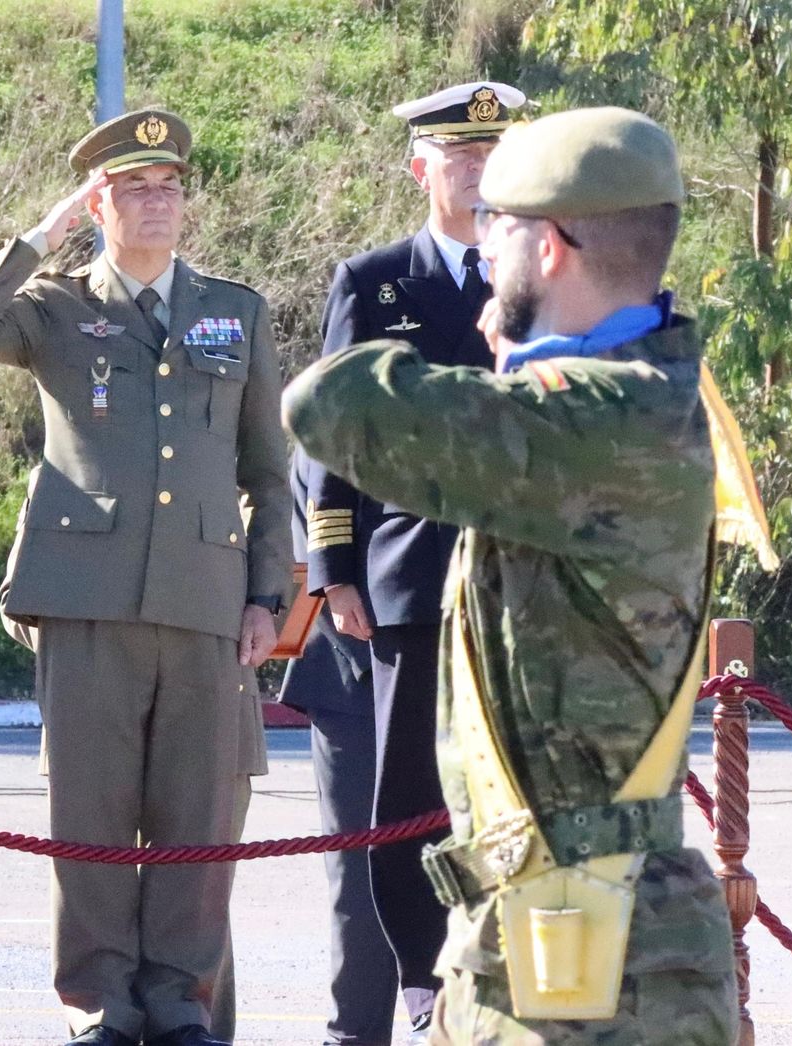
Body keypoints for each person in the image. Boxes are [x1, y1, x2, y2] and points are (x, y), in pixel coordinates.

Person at [284, 106, 739, 1044]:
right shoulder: (626, 398)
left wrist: (512, 351)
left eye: (499, 228)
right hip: (553, 934)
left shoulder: (598, 418)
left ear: (552, 246)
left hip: (602, 963)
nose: (483, 253)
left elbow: (329, 403)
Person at [0, 108, 291, 1046]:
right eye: (134, 186)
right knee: (87, 815)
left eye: (170, 184)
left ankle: (180, 1003)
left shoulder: (234, 310)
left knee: (197, 817)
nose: (157, 200)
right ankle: (102, 1006)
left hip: (206, 601)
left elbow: (265, 468)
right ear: (99, 201)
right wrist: (41, 237)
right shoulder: (57, 305)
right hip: (87, 598)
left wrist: (267, 596)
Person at [304, 80, 524, 1041]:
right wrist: (335, 570)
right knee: (406, 795)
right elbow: (333, 436)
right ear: (420, 168)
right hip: (409, 576)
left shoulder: (538, 273)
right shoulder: (376, 280)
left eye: (492, 158)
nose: (478, 176)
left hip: (517, 581)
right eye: (461, 159)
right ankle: (418, 979)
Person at [275, 449, 397, 1046]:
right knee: (360, 875)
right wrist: (341, 583)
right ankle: (354, 1034)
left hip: (453, 664)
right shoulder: (352, 385)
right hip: (356, 664)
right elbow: (319, 501)